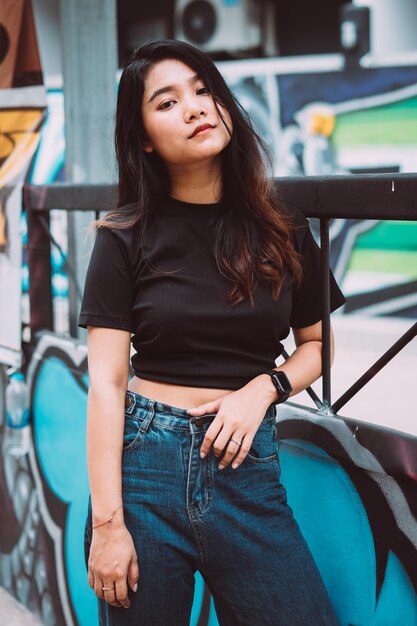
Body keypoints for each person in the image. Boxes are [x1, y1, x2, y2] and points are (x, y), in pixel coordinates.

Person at [79, 39, 345, 626]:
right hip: (145, 466)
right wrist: (108, 526)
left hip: (246, 467)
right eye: (167, 102)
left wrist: (264, 388)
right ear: (144, 137)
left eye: (203, 91)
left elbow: (318, 345)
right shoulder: (123, 237)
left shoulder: (282, 227)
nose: (196, 107)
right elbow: (105, 384)